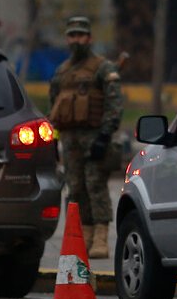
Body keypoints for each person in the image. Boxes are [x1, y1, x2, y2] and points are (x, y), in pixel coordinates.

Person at [48, 16, 123, 259]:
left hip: (94, 136)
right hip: (70, 140)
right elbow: (55, 106)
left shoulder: (103, 68)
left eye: (80, 35)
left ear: (89, 38)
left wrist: (105, 135)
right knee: (75, 188)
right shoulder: (62, 72)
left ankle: (101, 237)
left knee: (95, 185)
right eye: (72, 35)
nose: (76, 39)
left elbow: (114, 104)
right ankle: (84, 236)